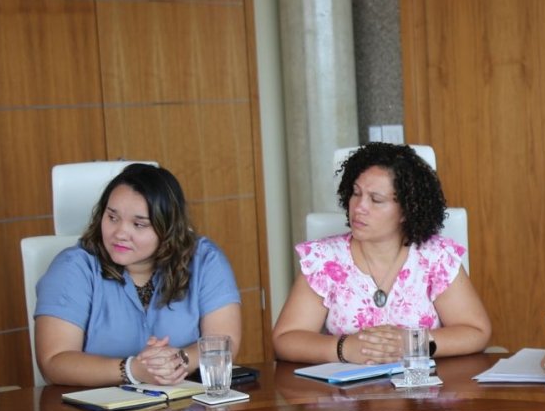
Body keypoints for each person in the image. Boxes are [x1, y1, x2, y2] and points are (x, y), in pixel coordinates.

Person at [272, 143, 491, 364]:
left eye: (376, 200)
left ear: (406, 210)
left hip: (421, 384)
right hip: (347, 384)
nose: (359, 207)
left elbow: (476, 331)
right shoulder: (324, 260)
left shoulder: (436, 257)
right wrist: (344, 348)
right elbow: (286, 339)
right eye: (356, 193)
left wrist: (414, 343)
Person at [34, 163, 242, 387]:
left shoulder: (204, 259)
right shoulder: (73, 267)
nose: (120, 233)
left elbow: (225, 342)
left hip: (184, 401)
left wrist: (176, 361)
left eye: (139, 224)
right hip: (96, 406)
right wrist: (133, 370)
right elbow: (54, 362)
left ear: (168, 228)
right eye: (112, 217)